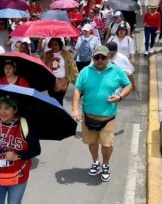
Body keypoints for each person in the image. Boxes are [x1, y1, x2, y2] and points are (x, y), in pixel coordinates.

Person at [72, 46, 132, 182]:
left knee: (106, 144)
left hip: (108, 116)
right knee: (92, 142)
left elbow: (128, 85)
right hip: (88, 115)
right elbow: (77, 90)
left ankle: (105, 165)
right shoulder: (85, 71)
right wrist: (75, 109)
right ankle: (96, 162)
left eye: (103, 57)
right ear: (93, 58)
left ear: (108, 57)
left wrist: (120, 97)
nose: (100, 60)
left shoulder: (116, 70)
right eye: (97, 57)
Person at [0, 95, 40, 204]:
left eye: (7, 108)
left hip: (18, 177)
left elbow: (36, 150)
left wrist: (18, 156)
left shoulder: (25, 124)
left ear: (15, 109)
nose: (2, 112)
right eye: (0, 107)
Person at [43, 38, 78, 105]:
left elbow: (72, 67)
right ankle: (56, 114)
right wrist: (49, 60)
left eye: (56, 44)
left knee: (59, 100)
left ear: (60, 45)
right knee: (53, 101)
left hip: (63, 81)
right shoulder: (47, 54)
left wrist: (77, 81)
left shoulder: (66, 54)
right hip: (51, 81)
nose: (54, 46)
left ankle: (58, 114)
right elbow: (44, 67)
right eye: (52, 45)